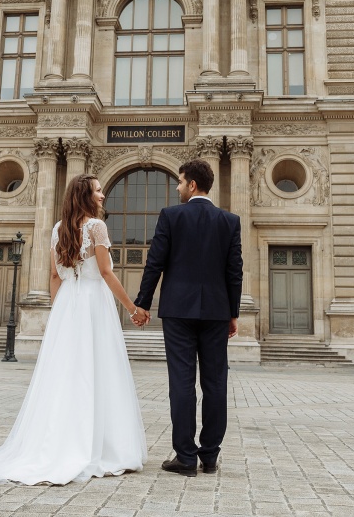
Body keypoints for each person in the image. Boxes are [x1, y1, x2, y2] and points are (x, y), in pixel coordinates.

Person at [0, 174, 148, 485]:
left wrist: (59, 311)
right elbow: (105, 272)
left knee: (65, 373)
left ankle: (57, 441)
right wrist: (132, 308)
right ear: (85, 196)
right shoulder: (96, 227)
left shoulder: (58, 229)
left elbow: (54, 275)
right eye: (98, 191)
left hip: (67, 304)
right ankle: (101, 446)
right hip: (93, 303)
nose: (102, 195)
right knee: (98, 369)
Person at [134, 159, 243, 477]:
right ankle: (209, 456)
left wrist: (143, 304)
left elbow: (155, 262)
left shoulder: (171, 216)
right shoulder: (230, 221)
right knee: (215, 382)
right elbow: (234, 271)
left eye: (180, 182)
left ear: (192, 185)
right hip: (216, 312)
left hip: (178, 311)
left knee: (181, 382)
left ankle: (185, 457)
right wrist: (232, 313)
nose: (177, 188)